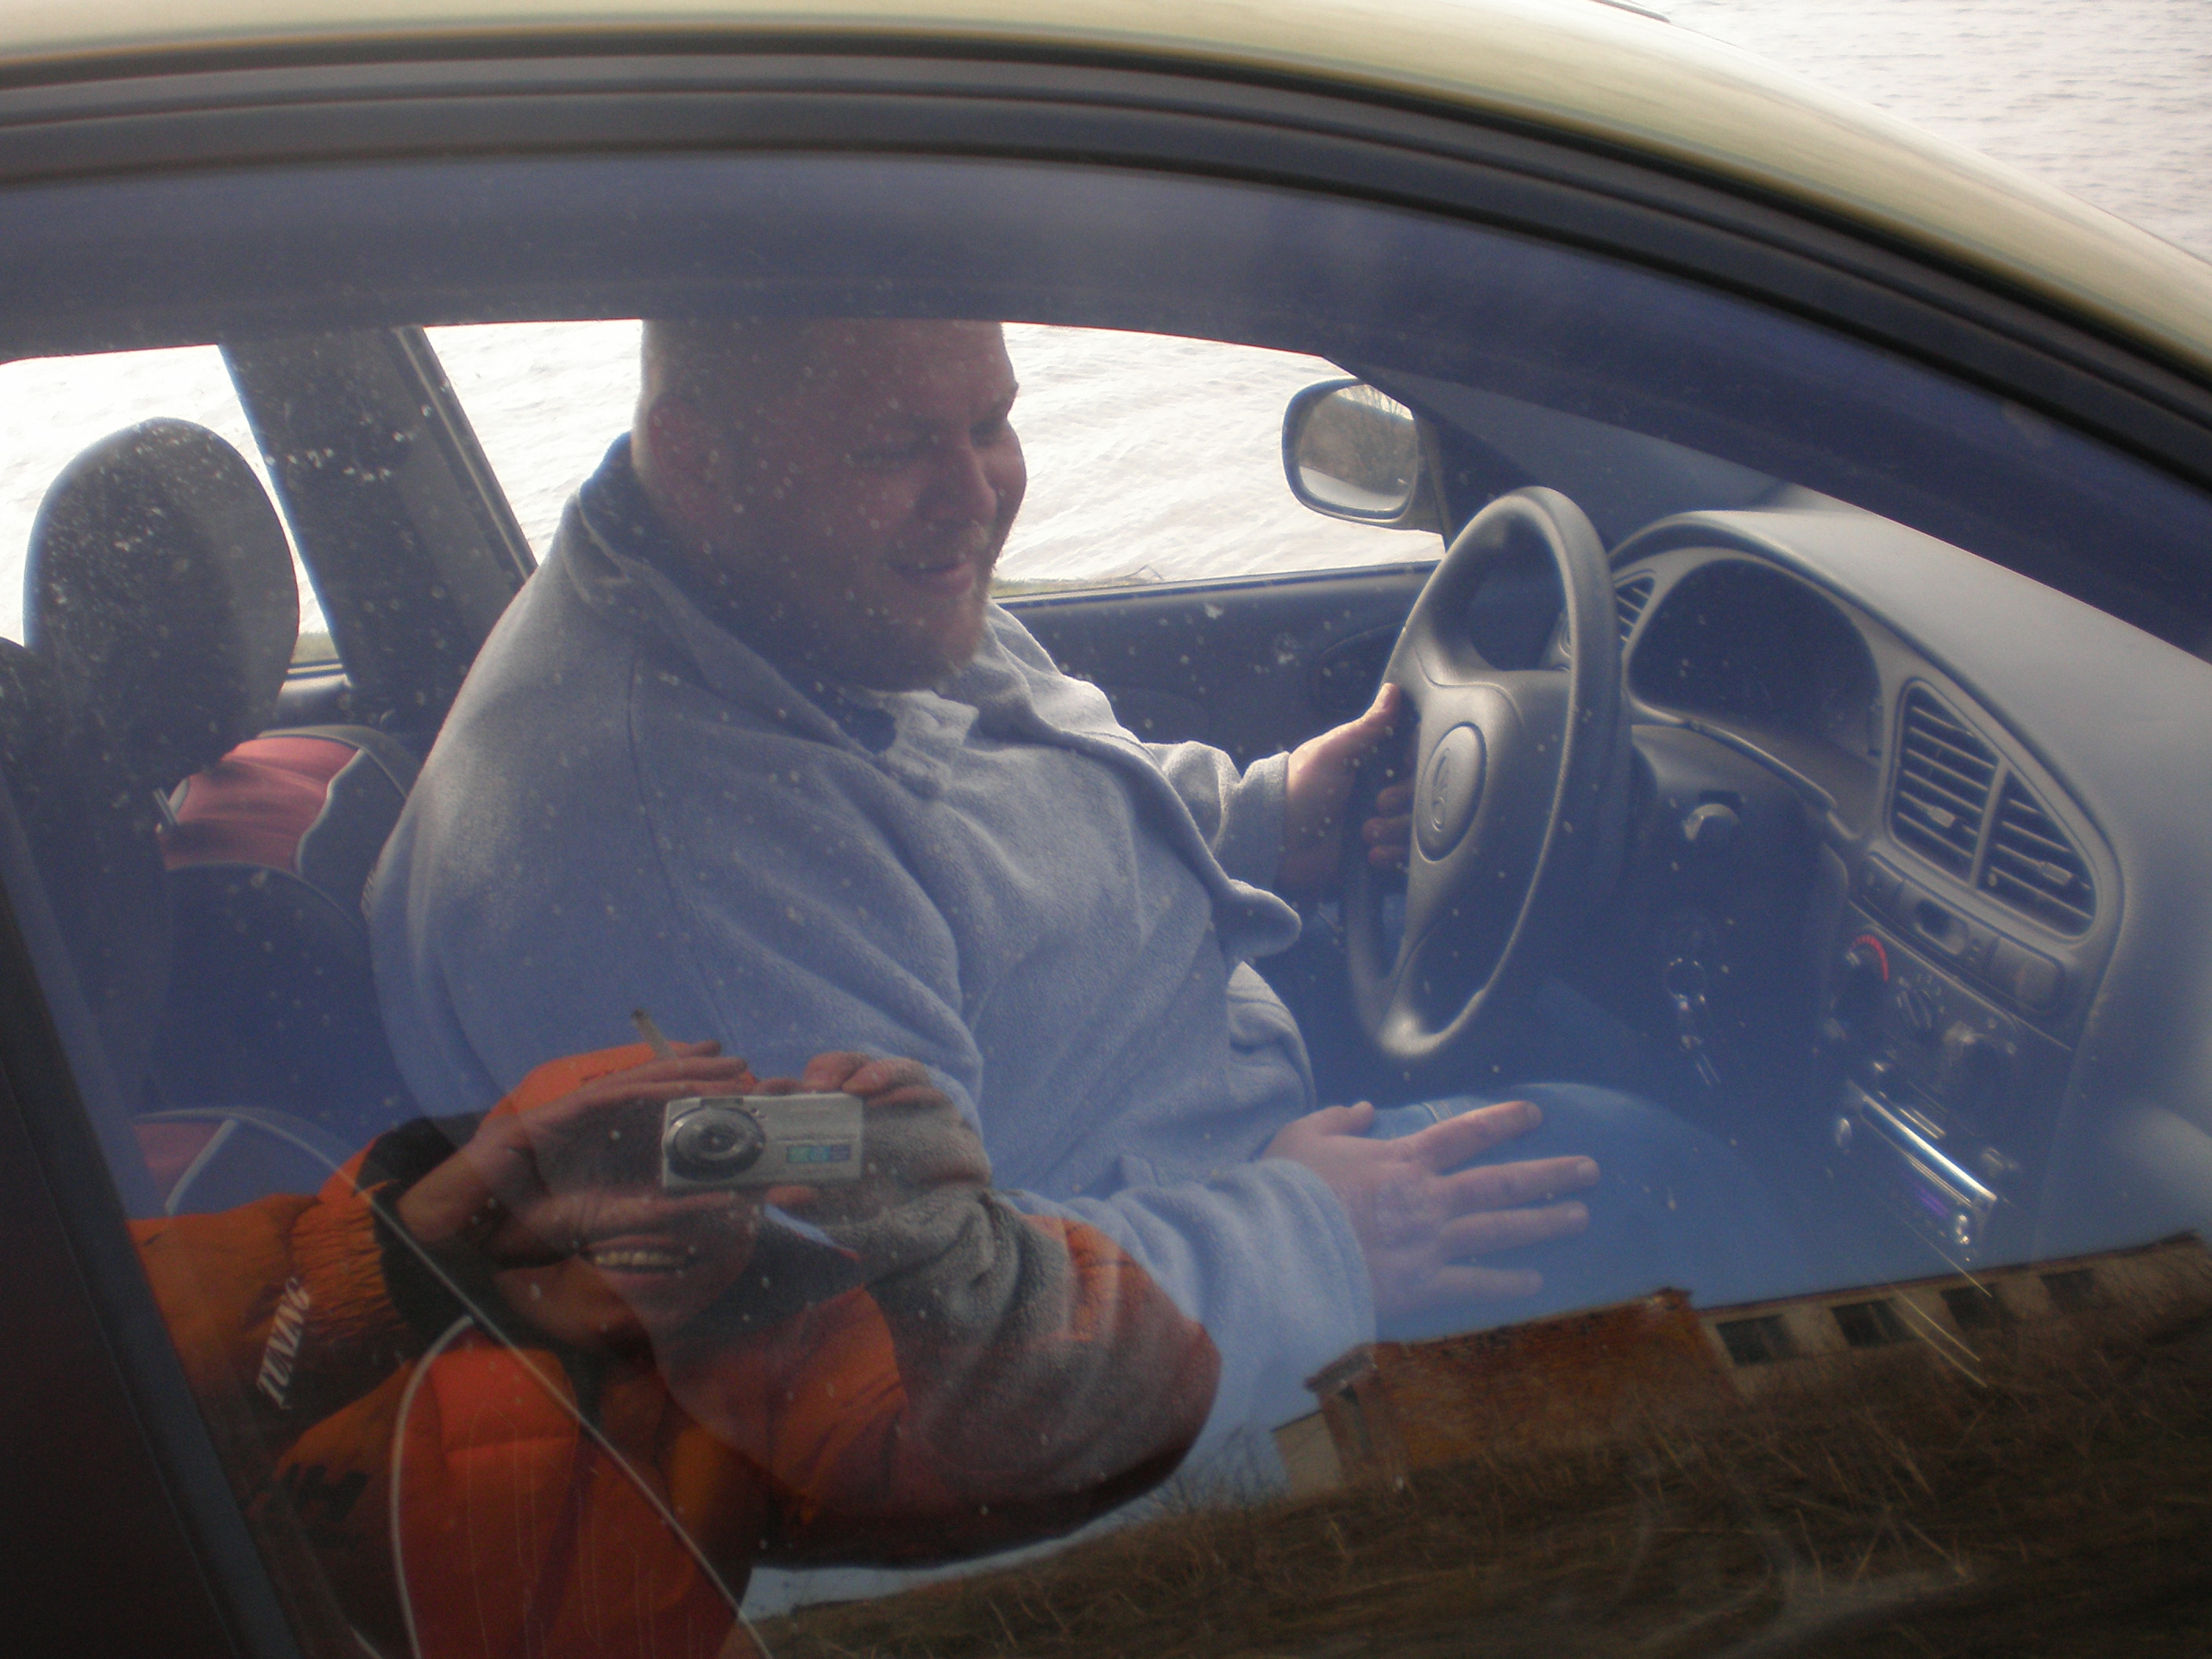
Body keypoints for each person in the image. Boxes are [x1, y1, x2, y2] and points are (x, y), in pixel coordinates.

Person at [369, 317, 1797, 1463]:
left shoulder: (791, 591)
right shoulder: (678, 864)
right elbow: (903, 1358)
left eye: (992, 423)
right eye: (897, 445)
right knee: (1666, 1184)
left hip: (1157, 1159)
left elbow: (1004, 784)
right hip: (1085, 1423)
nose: (976, 493)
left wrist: (1262, 822)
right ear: (696, 456)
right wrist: (1316, 1240)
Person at [133, 1038, 1218, 1659]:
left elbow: (1099, 1438)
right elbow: (77, 1413)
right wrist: (385, 1265)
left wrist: (946, 1247)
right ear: (492, 1168)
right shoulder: (283, 1273)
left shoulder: (753, 1373)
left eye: (713, 1158)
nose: (657, 1203)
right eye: (599, 1155)